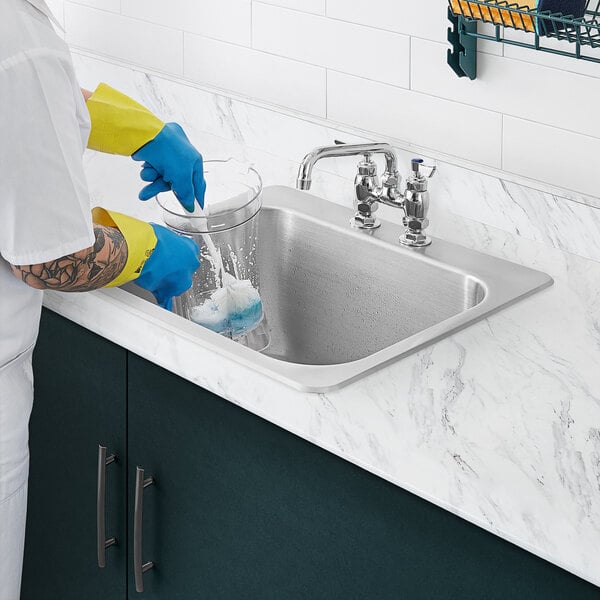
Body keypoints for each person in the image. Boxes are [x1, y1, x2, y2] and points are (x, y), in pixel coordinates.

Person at [0, 1, 206, 597]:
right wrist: (146, 248)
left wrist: (137, 126)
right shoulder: (16, 33)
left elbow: (25, 109)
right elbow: (50, 260)